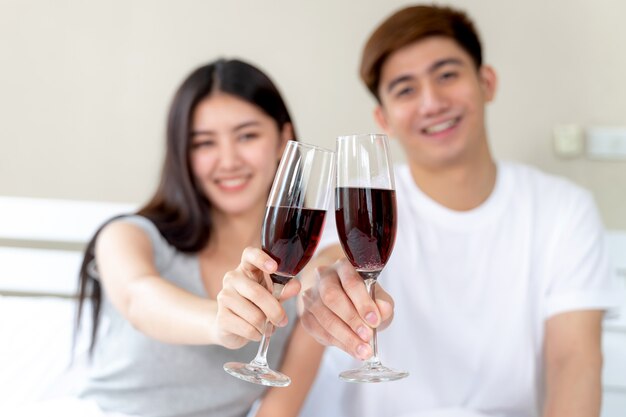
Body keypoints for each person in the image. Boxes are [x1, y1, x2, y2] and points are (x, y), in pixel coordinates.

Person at [296, 4, 621, 417]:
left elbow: (574, 363)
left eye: (447, 75)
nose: (432, 102)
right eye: (405, 89)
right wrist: (324, 290)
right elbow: (327, 265)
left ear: (487, 83)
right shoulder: (362, 205)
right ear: (384, 119)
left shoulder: (563, 211)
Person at [67, 58, 323, 417]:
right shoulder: (128, 236)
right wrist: (219, 321)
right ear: (183, 155)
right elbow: (140, 301)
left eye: (247, 135)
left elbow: (279, 410)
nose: (228, 160)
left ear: (283, 139)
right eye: (204, 143)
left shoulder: (305, 273)